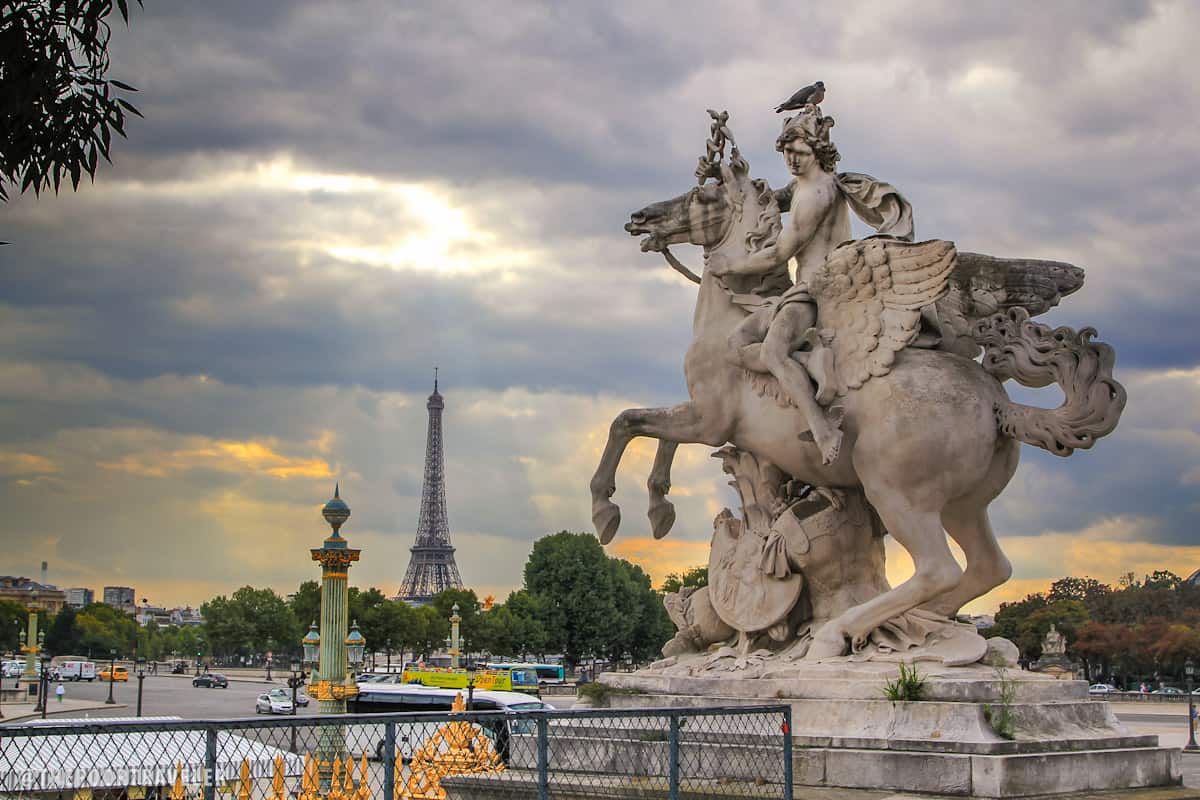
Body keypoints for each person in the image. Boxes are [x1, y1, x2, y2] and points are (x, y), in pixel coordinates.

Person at [706, 105, 913, 465]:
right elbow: (769, 197)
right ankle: (810, 360)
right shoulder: (805, 184)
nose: (792, 161)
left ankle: (822, 428)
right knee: (734, 344)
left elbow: (779, 253)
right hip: (800, 291)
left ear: (818, 152)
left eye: (800, 154)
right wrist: (730, 173)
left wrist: (731, 266)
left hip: (816, 292)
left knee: (771, 352)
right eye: (786, 153)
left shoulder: (817, 195)